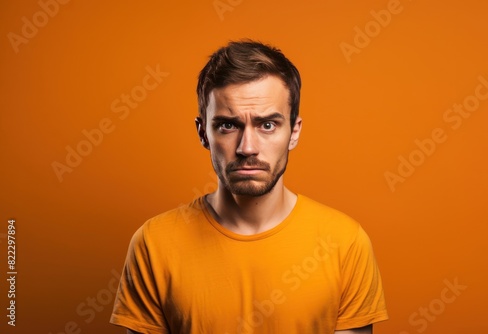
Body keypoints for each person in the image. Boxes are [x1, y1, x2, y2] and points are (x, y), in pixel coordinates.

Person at [110, 40, 388, 334]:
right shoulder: (154, 244)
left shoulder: (345, 243)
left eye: (267, 125)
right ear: (203, 133)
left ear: (293, 132)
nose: (248, 148)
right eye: (228, 126)